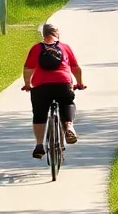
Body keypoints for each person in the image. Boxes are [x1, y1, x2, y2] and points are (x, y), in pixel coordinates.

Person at [21, 22, 86, 159]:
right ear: (57, 34)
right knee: (67, 102)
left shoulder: (37, 48)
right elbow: (75, 68)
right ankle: (69, 127)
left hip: (41, 86)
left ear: (43, 34)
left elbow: (28, 69)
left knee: (39, 113)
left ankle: (39, 145)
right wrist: (79, 83)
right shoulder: (64, 47)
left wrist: (28, 84)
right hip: (63, 83)